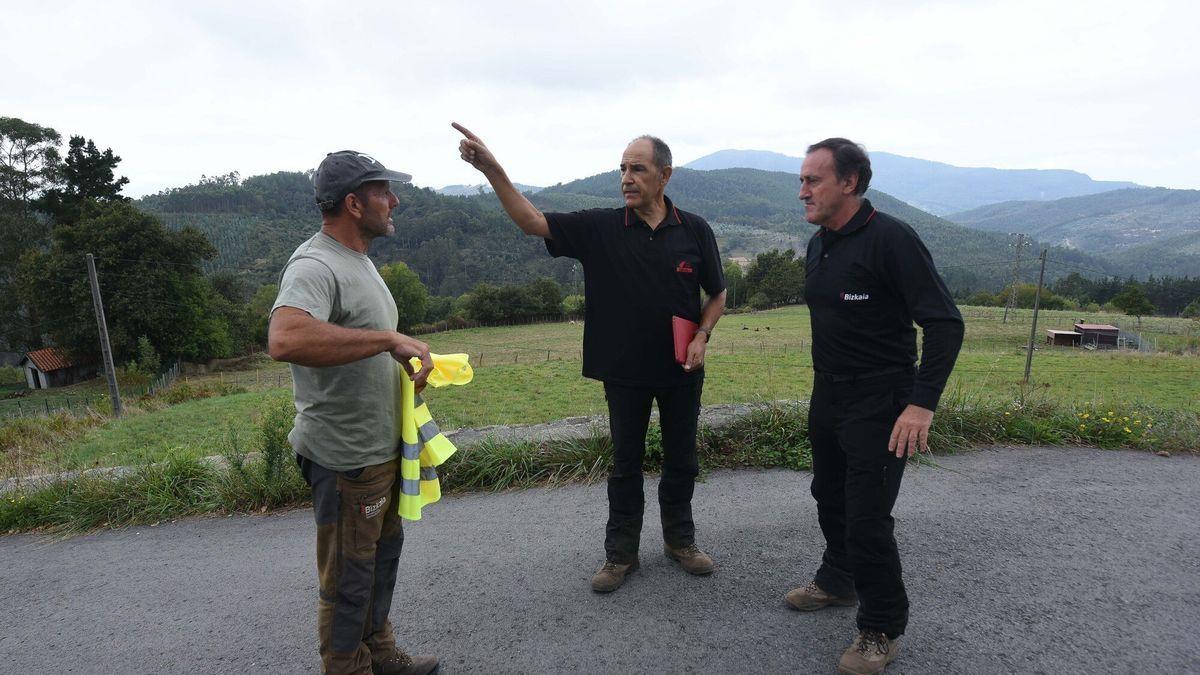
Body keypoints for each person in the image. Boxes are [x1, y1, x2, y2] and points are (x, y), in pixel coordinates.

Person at [452, 122, 727, 593]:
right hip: (622, 371)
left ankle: (681, 542)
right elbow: (532, 222)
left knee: (682, 460)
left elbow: (717, 293)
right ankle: (620, 555)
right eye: (622, 169)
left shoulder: (695, 230)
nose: (626, 177)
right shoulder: (600, 227)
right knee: (625, 465)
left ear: (665, 175)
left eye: (637, 169)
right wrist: (495, 171)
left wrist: (702, 335)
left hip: (682, 370)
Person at [788, 138, 963, 675]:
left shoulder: (892, 240)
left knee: (866, 517)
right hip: (829, 392)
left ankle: (881, 627)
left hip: (883, 398)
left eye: (813, 180)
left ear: (851, 182)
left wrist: (920, 405)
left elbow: (945, 323)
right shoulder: (821, 243)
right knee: (829, 496)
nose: (803, 192)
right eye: (801, 180)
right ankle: (838, 581)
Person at [268, 150, 439, 675]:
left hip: (380, 451)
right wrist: (387, 338)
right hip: (345, 459)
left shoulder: (357, 259)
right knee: (348, 579)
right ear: (353, 203)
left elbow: (359, 341)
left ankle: (380, 654)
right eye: (384, 192)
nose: (395, 201)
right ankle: (347, 667)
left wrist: (396, 354)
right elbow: (285, 337)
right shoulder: (314, 265)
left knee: (379, 563)